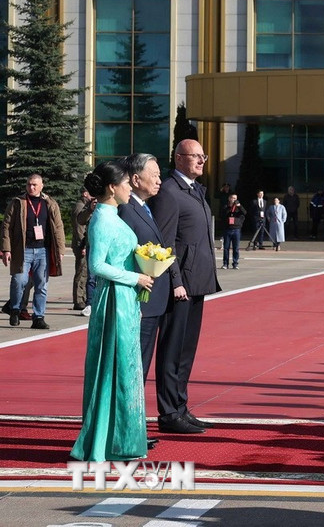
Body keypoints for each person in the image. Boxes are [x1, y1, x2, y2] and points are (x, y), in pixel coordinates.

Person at [70, 161, 154, 462]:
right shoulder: (102, 220)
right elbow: (97, 266)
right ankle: (107, 442)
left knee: (124, 369)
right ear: (111, 187)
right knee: (112, 369)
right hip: (114, 300)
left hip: (125, 300)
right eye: (126, 184)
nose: (130, 187)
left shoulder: (112, 215)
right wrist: (136, 277)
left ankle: (122, 440)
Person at [149, 139, 220, 435]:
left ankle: (181, 407)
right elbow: (164, 242)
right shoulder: (169, 192)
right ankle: (168, 413)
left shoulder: (194, 190)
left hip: (197, 282)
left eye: (203, 155)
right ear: (179, 159)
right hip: (180, 286)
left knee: (186, 351)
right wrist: (175, 281)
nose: (202, 160)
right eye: (196, 156)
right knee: (172, 350)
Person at [116, 153, 168, 453]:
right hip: (137, 302)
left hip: (150, 302)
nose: (159, 179)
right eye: (155, 174)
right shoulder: (126, 211)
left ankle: (134, 431)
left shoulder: (144, 208)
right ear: (136, 179)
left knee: (140, 370)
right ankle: (127, 434)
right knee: (133, 371)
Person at [1, 173, 66, 329]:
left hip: (43, 251)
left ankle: (38, 317)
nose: (32, 187)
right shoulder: (18, 203)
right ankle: (15, 309)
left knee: (41, 285)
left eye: (35, 185)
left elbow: (58, 227)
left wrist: (60, 249)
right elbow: (6, 226)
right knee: (19, 281)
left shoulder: (50, 203)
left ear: (41, 186)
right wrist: (6, 249)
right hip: (23, 251)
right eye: (29, 184)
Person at [72, 190, 96, 313]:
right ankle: (79, 299)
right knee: (82, 273)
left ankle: (82, 298)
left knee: (86, 273)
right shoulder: (81, 206)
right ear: (85, 193)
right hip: (82, 244)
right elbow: (79, 228)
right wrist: (82, 245)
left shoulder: (87, 205)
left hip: (85, 243)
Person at [220, 193, 245, 269]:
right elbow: (223, 215)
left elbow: (244, 213)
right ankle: (225, 264)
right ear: (229, 198)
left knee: (236, 248)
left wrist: (239, 206)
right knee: (226, 248)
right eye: (232, 198)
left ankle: (235, 263)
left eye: (235, 198)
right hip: (228, 229)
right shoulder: (225, 206)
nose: (234, 200)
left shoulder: (238, 207)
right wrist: (229, 208)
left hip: (236, 229)